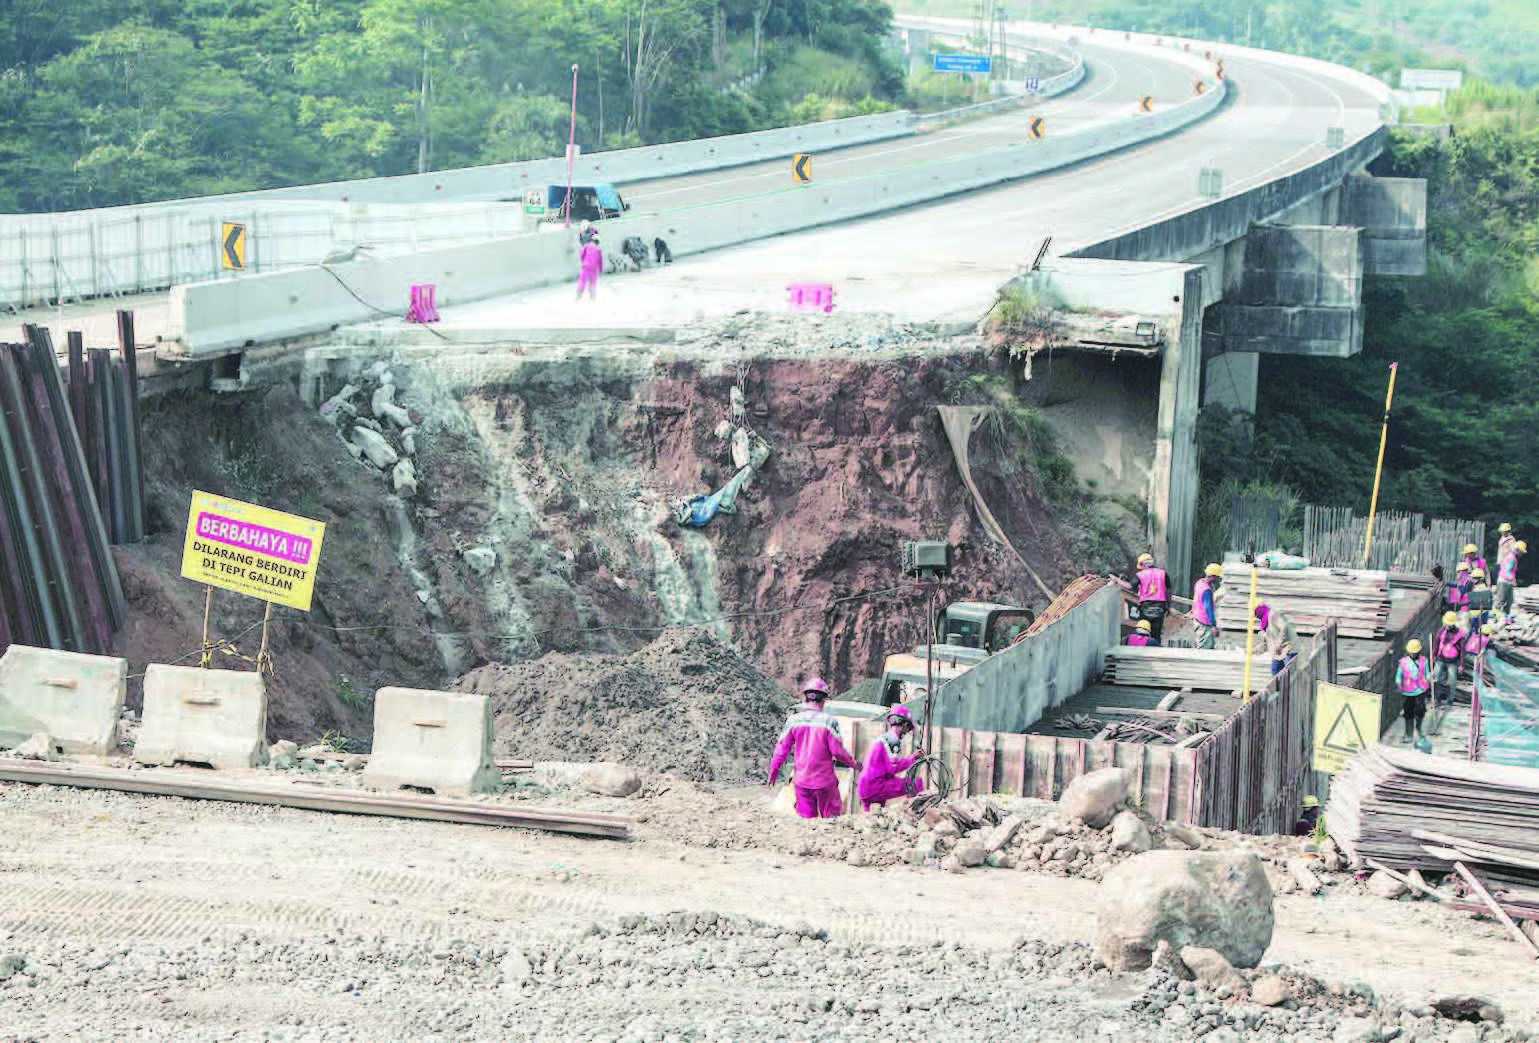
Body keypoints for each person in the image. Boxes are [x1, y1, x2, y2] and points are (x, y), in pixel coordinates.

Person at [767, 677, 856, 819]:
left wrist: (774, 770)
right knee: (832, 821)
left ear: (805, 697)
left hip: (802, 782)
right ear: (824, 700)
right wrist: (854, 764)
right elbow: (838, 752)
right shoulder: (829, 722)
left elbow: (781, 749)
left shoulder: (793, 721)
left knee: (807, 824)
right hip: (825, 783)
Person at [858, 705, 923, 811]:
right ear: (904, 724)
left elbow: (888, 768)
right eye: (908, 728)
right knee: (916, 783)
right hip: (875, 786)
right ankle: (915, 817)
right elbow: (893, 768)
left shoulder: (883, 738)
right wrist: (913, 758)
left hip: (866, 786)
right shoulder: (893, 741)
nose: (907, 732)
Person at [1431, 611, 1467, 716]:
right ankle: (1437, 699)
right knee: (1436, 678)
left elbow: (1462, 651)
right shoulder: (1441, 631)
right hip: (1440, 658)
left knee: (1452, 680)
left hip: (1453, 661)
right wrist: (1433, 656)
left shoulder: (1460, 634)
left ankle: (1450, 700)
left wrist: (1461, 664)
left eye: (1448, 623)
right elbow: (1436, 644)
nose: (1447, 625)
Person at [1396, 639, 1431, 743]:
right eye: (1411, 652)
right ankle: (1408, 734)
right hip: (1407, 690)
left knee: (1420, 710)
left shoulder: (1424, 661)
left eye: (1415, 652)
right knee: (1408, 712)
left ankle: (1418, 729)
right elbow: (1399, 675)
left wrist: (1430, 677)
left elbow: (1427, 673)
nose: (1413, 653)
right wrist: (1398, 683)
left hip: (1420, 689)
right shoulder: (1403, 662)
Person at [1133, 552, 1170, 641]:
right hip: (1159, 607)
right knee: (1156, 634)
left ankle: (1143, 650)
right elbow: (1168, 591)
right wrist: (1168, 606)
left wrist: (1117, 580)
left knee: (1143, 632)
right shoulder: (1163, 573)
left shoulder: (1140, 575)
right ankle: (1155, 650)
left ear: (1143, 564)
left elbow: (1130, 586)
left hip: (1145, 607)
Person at [1256, 602, 1296, 676]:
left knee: (1290, 675)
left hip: (1287, 651)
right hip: (1277, 654)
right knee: (1275, 673)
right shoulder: (1266, 624)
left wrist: (1279, 643)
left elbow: (1284, 627)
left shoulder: (1274, 616)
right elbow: (1267, 643)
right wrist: (1257, 650)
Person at [1191, 563, 1223, 650]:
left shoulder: (1199, 583)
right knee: (1205, 649)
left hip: (1197, 619)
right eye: (1217, 577)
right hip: (1204, 623)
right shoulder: (1207, 590)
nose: (1218, 579)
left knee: (1202, 644)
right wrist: (1214, 626)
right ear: (1213, 576)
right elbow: (1208, 609)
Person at [1496, 539, 1525, 621]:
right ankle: (1497, 616)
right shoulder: (1511, 558)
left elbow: (1511, 572)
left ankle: (1506, 615)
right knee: (1501, 599)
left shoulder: (1512, 557)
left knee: (1509, 600)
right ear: (1517, 550)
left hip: (1508, 581)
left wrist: (1512, 579)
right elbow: (1507, 570)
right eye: (1521, 552)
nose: (1521, 554)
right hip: (1504, 581)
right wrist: (1513, 580)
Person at [576, 234, 604, 300]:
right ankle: (592, 298)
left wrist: (584, 262)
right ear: (597, 242)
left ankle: (578, 297)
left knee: (582, 282)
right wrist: (600, 270)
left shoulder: (586, 246)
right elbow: (600, 261)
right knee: (592, 283)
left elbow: (582, 255)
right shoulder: (598, 249)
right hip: (594, 269)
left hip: (585, 267)